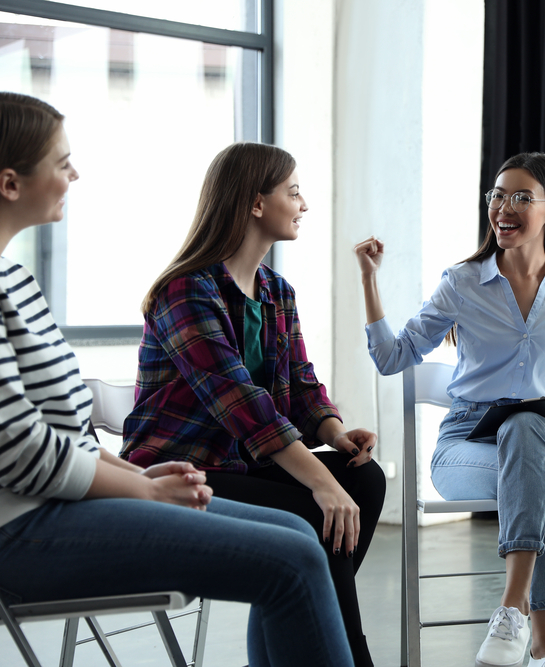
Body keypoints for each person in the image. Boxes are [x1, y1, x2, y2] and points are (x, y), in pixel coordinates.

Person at [0, 92, 352, 667]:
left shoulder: (16, 281)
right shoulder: (186, 287)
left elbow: (64, 438)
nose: (75, 174)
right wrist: (143, 486)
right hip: (21, 524)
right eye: (62, 162)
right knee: (292, 559)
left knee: (299, 536)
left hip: (59, 501)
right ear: (11, 182)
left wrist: (132, 473)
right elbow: (19, 453)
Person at [354, 152, 545, 667]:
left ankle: (512, 614)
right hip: (466, 445)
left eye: (520, 197)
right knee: (544, 470)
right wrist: (369, 278)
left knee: (527, 430)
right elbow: (392, 357)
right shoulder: (463, 281)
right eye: (497, 195)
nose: (503, 207)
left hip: (538, 439)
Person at [119, 142, 385, 667]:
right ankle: (344, 655)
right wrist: (320, 481)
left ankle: (304, 643)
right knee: (315, 506)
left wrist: (335, 435)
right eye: (293, 192)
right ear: (255, 203)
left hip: (241, 465)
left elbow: (303, 386)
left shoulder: (275, 291)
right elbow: (241, 402)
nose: (304, 204)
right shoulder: (186, 291)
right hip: (179, 471)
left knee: (365, 477)